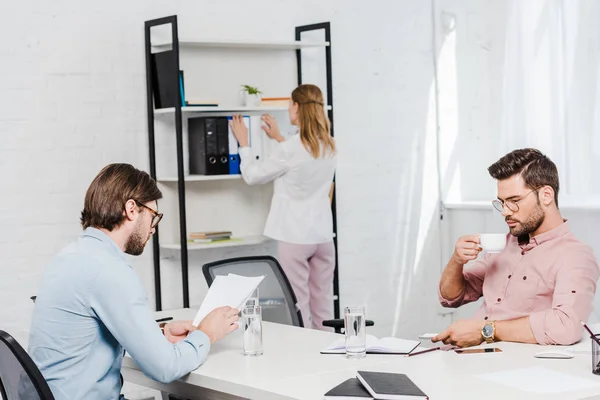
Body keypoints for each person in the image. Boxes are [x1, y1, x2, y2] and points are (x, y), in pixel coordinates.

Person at [28, 164, 239, 400]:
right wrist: (207, 334)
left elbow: (86, 334)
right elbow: (165, 368)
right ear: (131, 209)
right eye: (153, 216)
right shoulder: (109, 271)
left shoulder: (70, 256)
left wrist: (160, 333)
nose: (153, 229)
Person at [433, 148, 599, 347]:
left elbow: (567, 327)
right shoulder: (505, 244)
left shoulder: (575, 256)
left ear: (546, 195)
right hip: (468, 355)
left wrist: (486, 331)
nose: (505, 212)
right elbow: (451, 298)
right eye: (502, 202)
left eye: (514, 201)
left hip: (515, 366)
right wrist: (457, 261)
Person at [230, 84, 337, 331]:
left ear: (297, 108)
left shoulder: (290, 148)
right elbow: (301, 159)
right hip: (322, 237)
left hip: (295, 237)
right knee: (323, 307)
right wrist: (279, 138)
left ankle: (304, 358)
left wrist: (244, 145)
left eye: (290, 104)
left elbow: (254, 176)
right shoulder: (330, 145)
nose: (289, 109)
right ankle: (327, 356)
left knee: (298, 304)